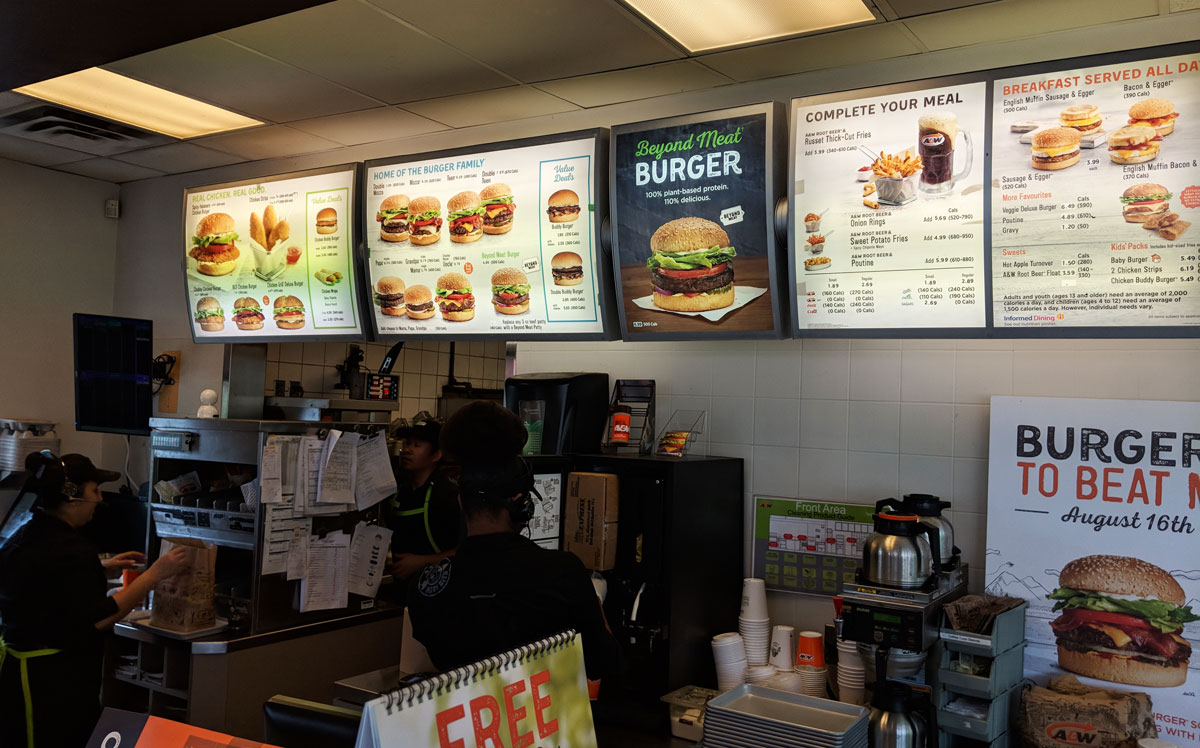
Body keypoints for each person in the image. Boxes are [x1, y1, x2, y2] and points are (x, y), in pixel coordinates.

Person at [406, 401, 618, 683]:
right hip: (542, 710)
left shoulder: (427, 586)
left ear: (461, 502)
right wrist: (592, 601)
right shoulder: (563, 572)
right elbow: (603, 662)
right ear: (521, 504)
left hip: (470, 712)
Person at [0, 451, 187, 748]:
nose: (100, 499)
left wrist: (101, 568)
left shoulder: (27, 533)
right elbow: (100, 617)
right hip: (51, 683)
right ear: (73, 497)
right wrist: (155, 574)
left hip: (23, 673)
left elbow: (45, 581)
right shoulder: (72, 550)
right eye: (95, 490)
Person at [383, 414, 463, 583]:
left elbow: (465, 550)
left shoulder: (446, 495)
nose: (407, 450)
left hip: (435, 584)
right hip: (400, 585)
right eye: (407, 443)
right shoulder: (398, 489)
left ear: (436, 455)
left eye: (417, 445)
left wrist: (421, 562)